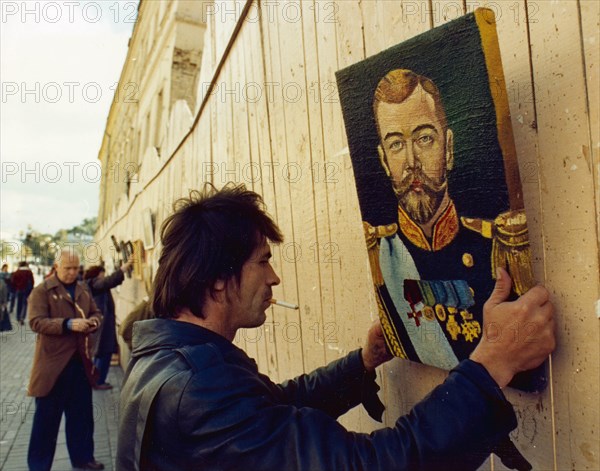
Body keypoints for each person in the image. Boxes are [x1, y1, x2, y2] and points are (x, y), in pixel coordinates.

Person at [116, 184, 555, 470]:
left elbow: (274, 412)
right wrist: (492, 362)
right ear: (217, 278)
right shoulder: (197, 385)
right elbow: (367, 466)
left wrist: (362, 364)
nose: (274, 278)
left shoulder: (172, 360)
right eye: (263, 261)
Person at [365, 68, 536, 371]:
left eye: (425, 139)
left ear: (449, 149)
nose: (411, 162)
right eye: (395, 145)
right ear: (384, 161)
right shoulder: (383, 255)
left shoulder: (497, 247)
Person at [27, 249, 105, 471]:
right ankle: (39, 466)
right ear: (56, 266)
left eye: (75, 268)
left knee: (81, 416)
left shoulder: (82, 288)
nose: (72, 273)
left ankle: (83, 460)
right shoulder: (42, 291)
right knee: (46, 423)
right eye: (67, 268)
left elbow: (97, 312)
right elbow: (36, 322)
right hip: (52, 367)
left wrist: (93, 322)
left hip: (80, 364)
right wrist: (67, 324)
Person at [84, 260, 133, 390]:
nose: (104, 276)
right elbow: (108, 282)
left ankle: (95, 379)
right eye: (102, 274)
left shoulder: (92, 284)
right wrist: (122, 269)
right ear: (97, 274)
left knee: (101, 352)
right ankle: (99, 381)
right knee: (104, 352)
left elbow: (110, 282)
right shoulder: (95, 283)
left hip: (103, 325)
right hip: (103, 326)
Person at [11, 261, 34, 325]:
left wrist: (16, 287)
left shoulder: (17, 272)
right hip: (27, 290)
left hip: (19, 290)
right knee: (25, 304)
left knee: (19, 303)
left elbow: (13, 281)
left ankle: (18, 317)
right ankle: (22, 317)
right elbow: (32, 281)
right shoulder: (29, 272)